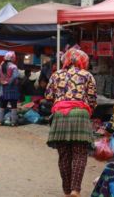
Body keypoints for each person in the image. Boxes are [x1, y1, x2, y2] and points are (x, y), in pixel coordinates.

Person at [44, 48, 97, 197]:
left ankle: (67, 191)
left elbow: (48, 96)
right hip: (80, 115)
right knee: (80, 154)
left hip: (60, 115)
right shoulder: (87, 75)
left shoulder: (56, 75)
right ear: (83, 61)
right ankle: (75, 190)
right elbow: (93, 99)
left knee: (64, 156)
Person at [0, 51, 20, 126]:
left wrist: (4, 82)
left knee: (3, 104)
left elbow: (0, 76)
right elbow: (15, 76)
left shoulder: (1, 65)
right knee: (13, 105)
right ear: (12, 58)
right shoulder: (14, 66)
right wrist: (9, 82)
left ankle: (0, 121)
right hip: (12, 87)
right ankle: (13, 122)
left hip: (3, 87)